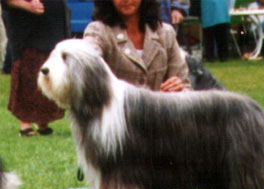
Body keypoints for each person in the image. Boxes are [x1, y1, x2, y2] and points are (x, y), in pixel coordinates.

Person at [83, 0, 190, 92]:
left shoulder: (166, 33)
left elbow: (186, 87)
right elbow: (85, 71)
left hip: (162, 115)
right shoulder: (97, 32)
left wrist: (178, 88)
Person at [2, 0, 68, 136]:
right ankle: (25, 123)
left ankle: (43, 122)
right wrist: (27, 5)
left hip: (52, 22)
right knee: (27, 69)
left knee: (49, 67)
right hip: (26, 26)